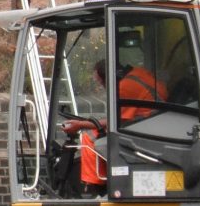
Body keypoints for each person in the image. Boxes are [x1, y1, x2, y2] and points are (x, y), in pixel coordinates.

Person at [70, 56, 169, 193]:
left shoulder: (125, 88)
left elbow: (115, 121)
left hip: (144, 127)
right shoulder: (138, 73)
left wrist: (81, 125)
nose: (102, 86)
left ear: (108, 78)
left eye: (101, 82)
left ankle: (94, 186)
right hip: (154, 119)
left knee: (89, 136)